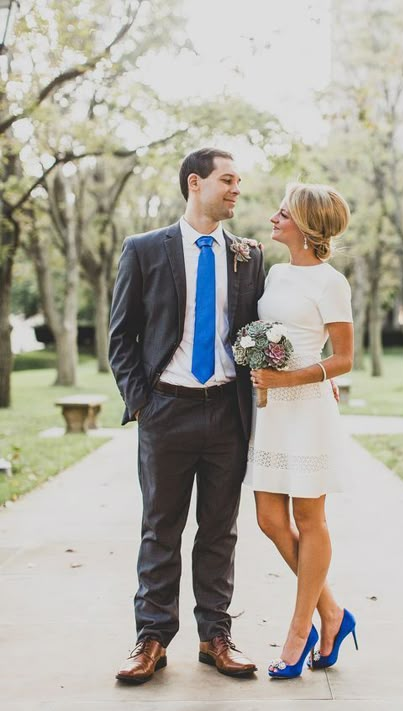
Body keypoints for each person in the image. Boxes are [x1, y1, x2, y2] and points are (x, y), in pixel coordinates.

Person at [109, 148, 264, 684]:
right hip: (165, 411)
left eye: (239, 181)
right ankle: (151, 638)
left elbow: (254, 332)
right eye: (227, 179)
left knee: (220, 530)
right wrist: (142, 404)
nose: (236, 189)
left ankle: (214, 636)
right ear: (195, 183)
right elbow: (120, 338)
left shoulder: (249, 255)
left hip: (227, 411)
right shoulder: (145, 250)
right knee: (160, 530)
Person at [243, 182, 358, 679]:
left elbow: (344, 359)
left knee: (310, 519)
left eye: (283, 212)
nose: (273, 217)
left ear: (306, 226)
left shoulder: (332, 283)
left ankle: (299, 628)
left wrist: (289, 377)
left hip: (307, 408)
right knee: (269, 518)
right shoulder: (274, 273)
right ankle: (332, 611)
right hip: (270, 410)